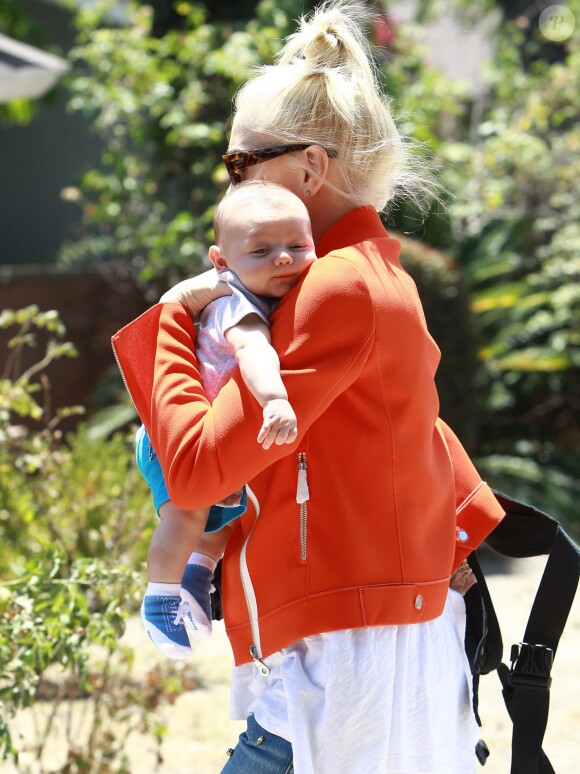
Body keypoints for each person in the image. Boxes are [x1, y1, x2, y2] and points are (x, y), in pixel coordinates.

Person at [112, 2, 506, 772]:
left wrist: (169, 317)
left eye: (238, 163)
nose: (229, 180)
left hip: (341, 670)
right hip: (363, 654)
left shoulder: (335, 288)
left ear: (310, 169)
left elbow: (195, 467)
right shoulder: (372, 274)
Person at [139, 181, 317, 659]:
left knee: (226, 515)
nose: (283, 258)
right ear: (221, 261)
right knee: (188, 511)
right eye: (261, 250)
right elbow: (254, 353)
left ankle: (197, 577)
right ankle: (159, 598)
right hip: (177, 438)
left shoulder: (264, 299)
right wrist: (276, 399)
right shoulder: (240, 307)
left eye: (298, 246)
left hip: (208, 437)